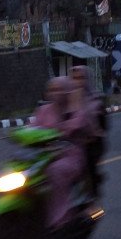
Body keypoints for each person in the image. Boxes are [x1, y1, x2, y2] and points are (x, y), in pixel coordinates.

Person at [32, 76, 97, 231]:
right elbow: (32, 126)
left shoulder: (75, 110)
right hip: (44, 155)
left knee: (55, 171)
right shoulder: (43, 110)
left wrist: (58, 130)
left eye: (59, 89)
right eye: (52, 89)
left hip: (70, 155)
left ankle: (61, 218)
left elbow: (76, 125)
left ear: (68, 91)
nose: (55, 93)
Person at [69, 65, 107, 196]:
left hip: (92, 144)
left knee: (88, 167)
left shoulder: (96, 101)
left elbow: (104, 127)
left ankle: (92, 200)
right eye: (74, 78)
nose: (77, 82)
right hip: (70, 144)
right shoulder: (67, 99)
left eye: (81, 78)